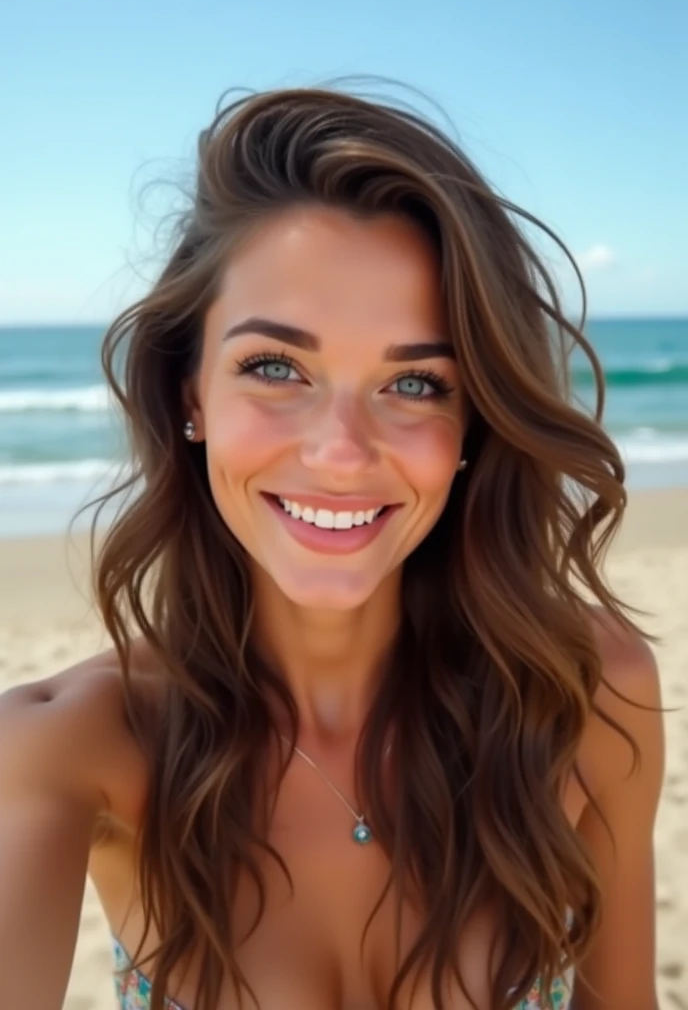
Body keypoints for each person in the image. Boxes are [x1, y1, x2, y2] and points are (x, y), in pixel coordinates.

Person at [0, 82, 665, 1010]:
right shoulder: (67, 748)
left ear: (476, 419)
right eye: (276, 367)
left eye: (417, 383)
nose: (342, 454)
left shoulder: (591, 698)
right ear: (190, 392)